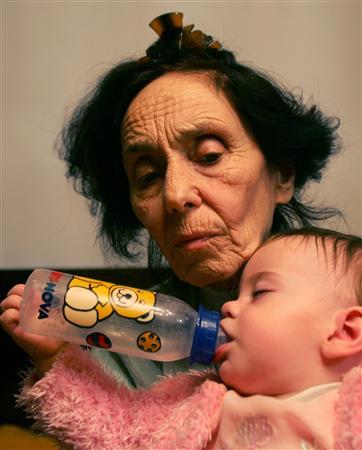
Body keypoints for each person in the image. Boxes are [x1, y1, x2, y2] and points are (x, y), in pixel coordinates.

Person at [1, 11, 341, 388]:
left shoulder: (346, 298)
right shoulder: (125, 333)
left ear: (282, 174)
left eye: (209, 156)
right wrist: (57, 367)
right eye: (147, 176)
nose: (175, 195)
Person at [13, 227, 362, 449]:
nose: (228, 307)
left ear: (345, 332)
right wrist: (55, 359)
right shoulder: (194, 402)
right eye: (236, 294)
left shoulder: (352, 413)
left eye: (260, 293)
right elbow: (115, 429)